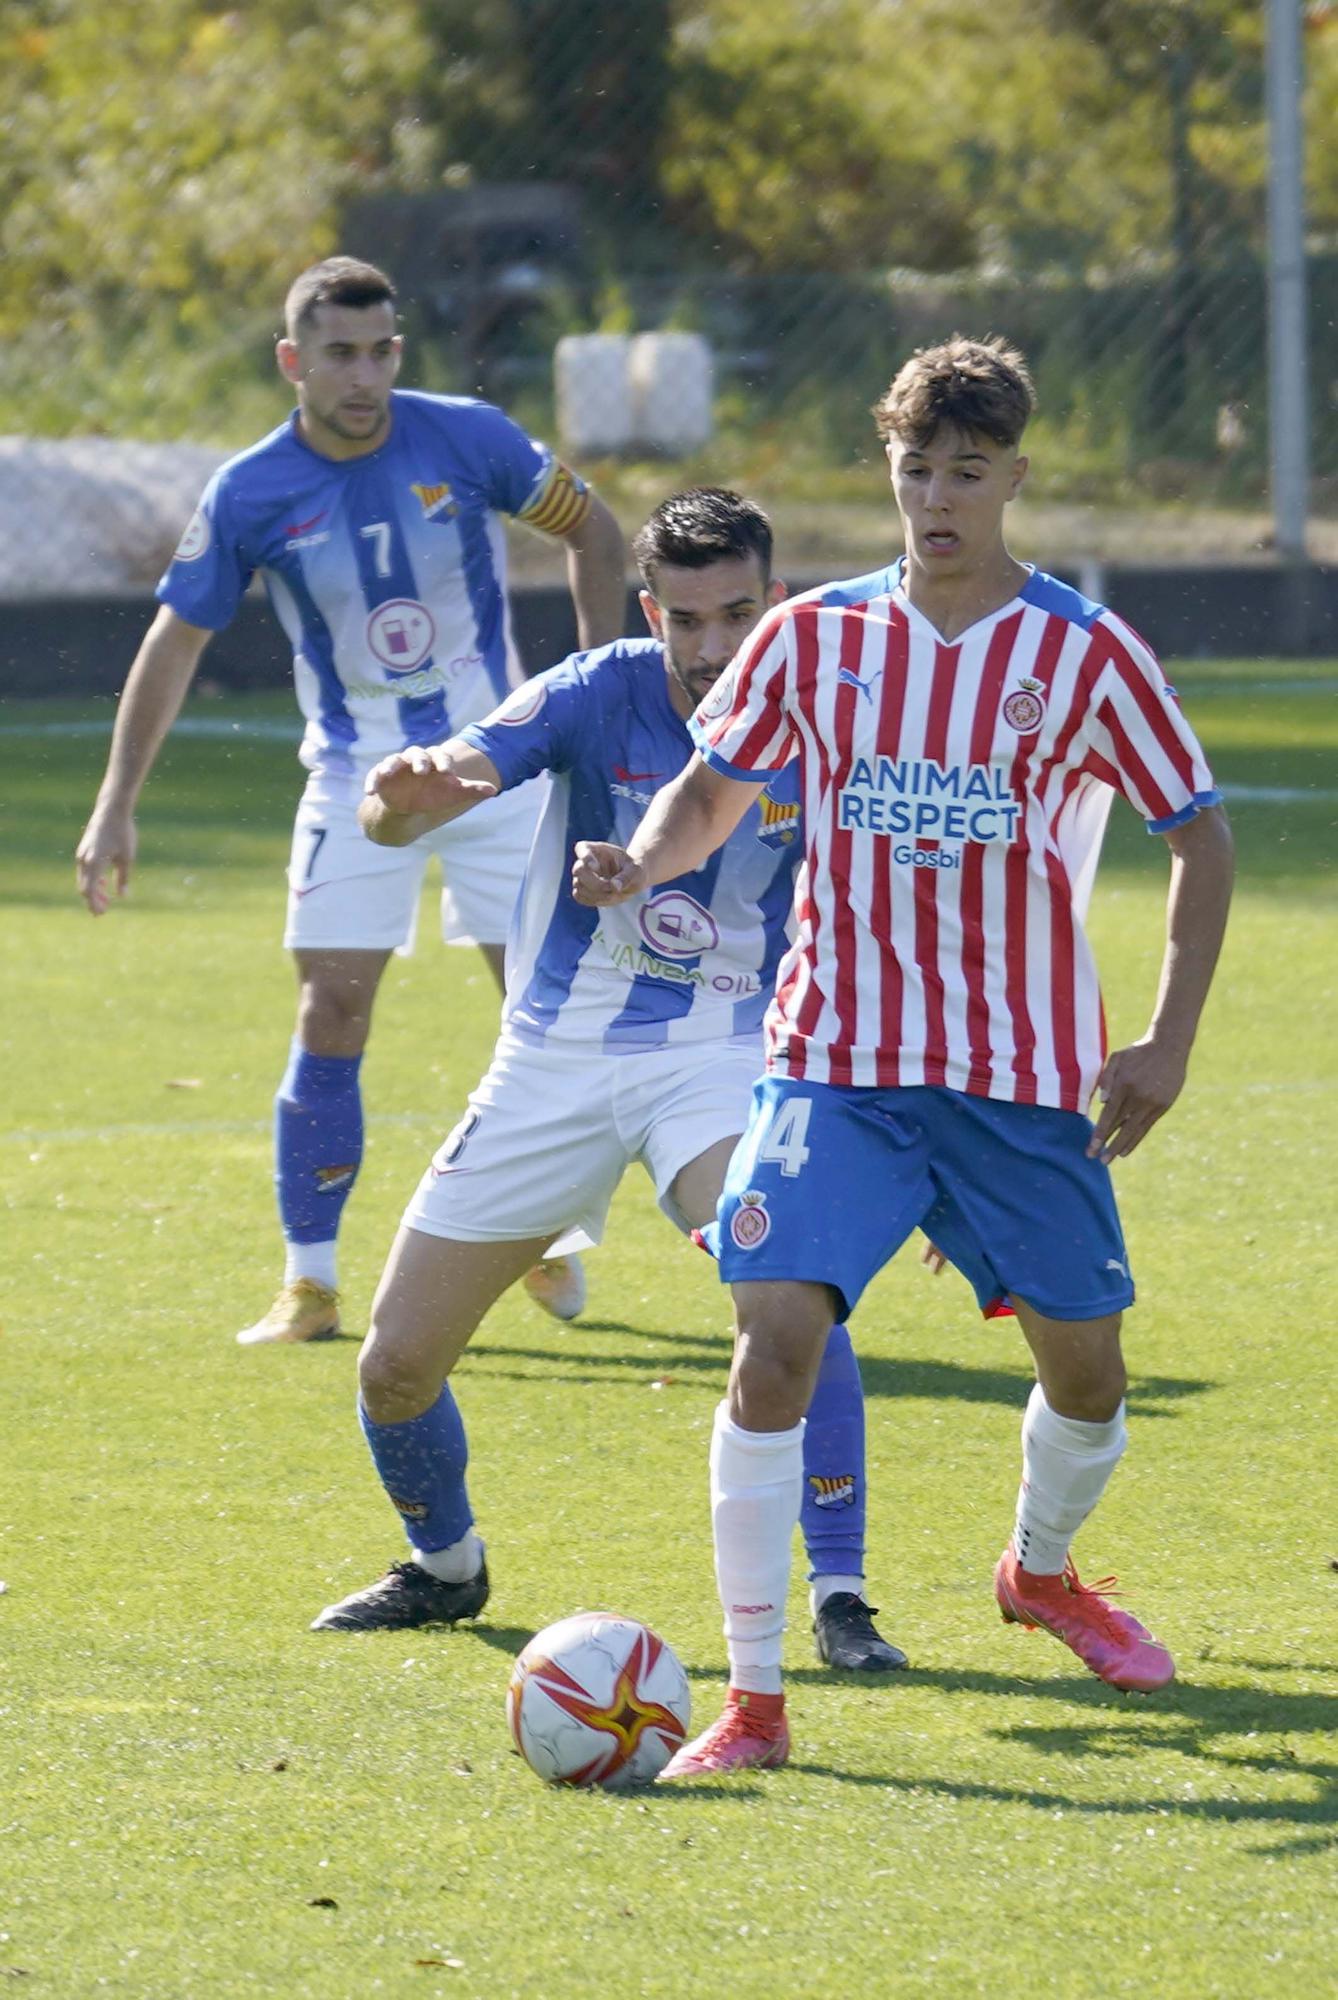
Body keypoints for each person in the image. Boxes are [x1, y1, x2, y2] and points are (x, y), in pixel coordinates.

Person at [573, 337, 1235, 1778]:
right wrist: (639, 859)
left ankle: (1040, 1573)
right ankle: (752, 1702)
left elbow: (1198, 835)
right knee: (773, 1346)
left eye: (967, 472)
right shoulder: (812, 638)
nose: (936, 498)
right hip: (835, 1062)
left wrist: (1164, 1041)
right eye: (914, 468)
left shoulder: (1080, 653)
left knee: (1088, 1372)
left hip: (1014, 1079)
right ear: (888, 469)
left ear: (1013, 477)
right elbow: (710, 790)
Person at [308, 489, 904, 1675]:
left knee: (782, 1289)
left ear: (772, 600)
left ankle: (840, 1593)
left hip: (733, 1051)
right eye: (686, 619)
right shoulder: (596, 686)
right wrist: (403, 799)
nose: (713, 645)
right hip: (561, 1052)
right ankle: (447, 1566)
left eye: (738, 611)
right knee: (393, 1364)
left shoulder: (834, 701)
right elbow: (449, 775)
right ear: (651, 611)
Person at [74, 256, 625, 1343]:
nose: (364, 375)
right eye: (339, 353)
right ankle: (311, 1282)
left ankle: (540, 1235)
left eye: (381, 351)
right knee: (331, 1008)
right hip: (348, 774)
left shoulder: (468, 437)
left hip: (493, 767)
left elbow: (596, 529)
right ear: (293, 361)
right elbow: (174, 638)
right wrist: (114, 802)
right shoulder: (250, 490)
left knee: (544, 1011)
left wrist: (604, 689)